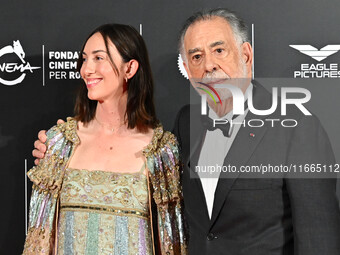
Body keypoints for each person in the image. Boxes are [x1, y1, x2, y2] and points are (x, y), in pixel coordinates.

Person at [33, 8, 340, 255]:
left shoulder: (298, 128)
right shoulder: (186, 124)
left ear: (245, 54)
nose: (208, 66)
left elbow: (318, 237)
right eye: (196, 57)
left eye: (219, 50)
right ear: (188, 71)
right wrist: (56, 150)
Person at [24, 23, 187, 255]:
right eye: (84, 59)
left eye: (99, 58)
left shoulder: (161, 149)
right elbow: (38, 240)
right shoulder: (61, 143)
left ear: (130, 68)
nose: (86, 69)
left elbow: (171, 243)